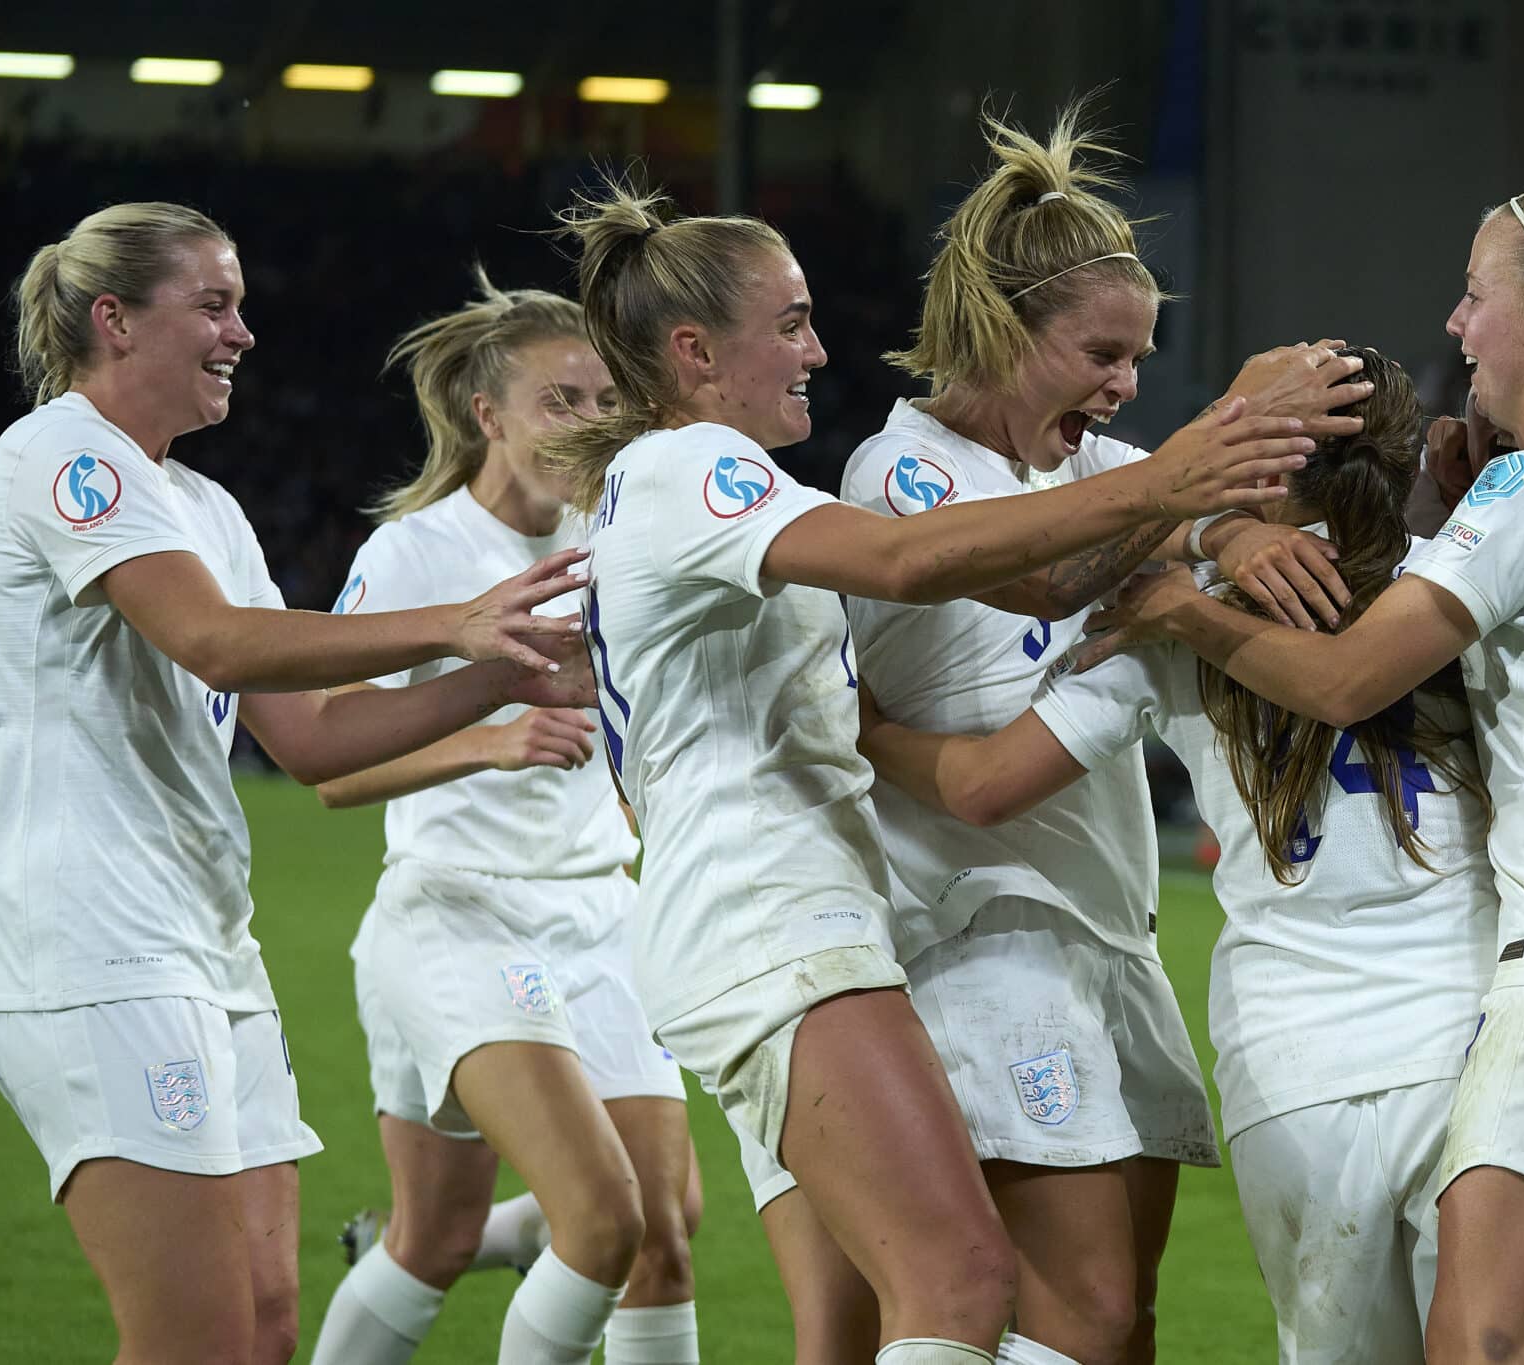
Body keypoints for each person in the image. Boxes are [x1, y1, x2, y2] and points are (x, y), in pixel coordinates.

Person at [542, 175, 1317, 1365]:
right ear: (693, 352)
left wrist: (1204, 518)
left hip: (802, 910)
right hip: (776, 916)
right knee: (964, 1288)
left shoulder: (688, 479)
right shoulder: (693, 463)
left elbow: (1035, 571)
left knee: (916, 1309)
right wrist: (1181, 489)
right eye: (789, 324)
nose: (818, 348)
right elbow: (910, 564)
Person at [1081, 181, 1524, 1365]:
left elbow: (1340, 682)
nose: (1455, 323)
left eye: (1477, 296)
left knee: (1478, 1341)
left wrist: (1182, 602)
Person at [859, 349, 1524, 1364]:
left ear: (1260, 466)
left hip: (1293, 1066)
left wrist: (850, 726)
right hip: (1478, 1045)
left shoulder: (1166, 606)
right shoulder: (1458, 578)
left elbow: (983, 785)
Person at [0, 204, 596, 1365]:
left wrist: (508, 674)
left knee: (261, 1329)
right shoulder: (59, 455)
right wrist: (453, 622)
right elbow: (218, 643)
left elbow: (306, 741)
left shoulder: (201, 506)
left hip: (206, 953)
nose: (242, 332)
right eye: (212, 304)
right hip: (92, 951)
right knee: (192, 1341)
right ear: (114, 319)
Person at [805, 105, 1372, 1365]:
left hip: (1107, 929)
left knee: (1120, 1329)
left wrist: (1231, 528)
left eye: (1140, 358)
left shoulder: (1094, 466)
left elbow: (1165, 517)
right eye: (1101, 353)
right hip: (976, 924)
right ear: (1004, 331)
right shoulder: (900, 476)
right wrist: (1213, 449)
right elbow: (1051, 579)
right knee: (1075, 1314)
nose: (1122, 385)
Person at [306, 272, 700, 1365]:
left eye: (598, 401)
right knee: (600, 1221)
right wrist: (489, 737)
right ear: (489, 416)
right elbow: (332, 764)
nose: (583, 422)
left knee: (655, 1236)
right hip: (461, 916)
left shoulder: (614, 540)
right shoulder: (413, 555)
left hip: (601, 916)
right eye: (556, 401)